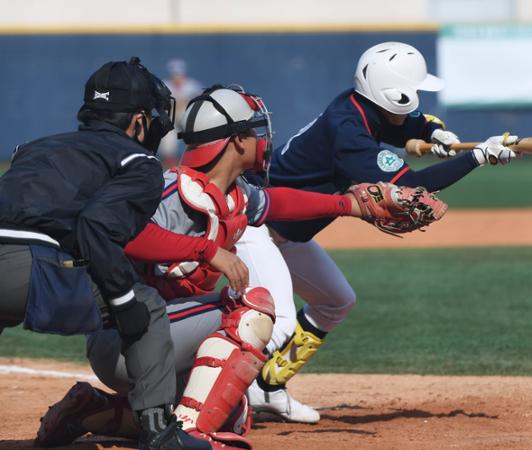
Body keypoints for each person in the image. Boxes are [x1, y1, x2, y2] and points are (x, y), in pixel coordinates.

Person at [35, 85, 442, 449]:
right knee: (251, 310)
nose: (262, 141)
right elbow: (123, 236)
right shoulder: (170, 191)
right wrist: (205, 251)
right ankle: (191, 437)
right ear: (236, 141)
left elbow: (279, 202)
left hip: (160, 341)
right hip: (126, 337)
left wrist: (349, 205)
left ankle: (89, 411)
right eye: (254, 132)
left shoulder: (232, 193)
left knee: (235, 412)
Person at [235, 41, 519, 423]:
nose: (417, 99)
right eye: (414, 90)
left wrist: (435, 132)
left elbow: (409, 123)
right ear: (393, 93)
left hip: (287, 231)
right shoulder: (350, 132)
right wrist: (475, 157)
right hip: (256, 226)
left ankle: (268, 387)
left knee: (336, 300)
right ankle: (210, 393)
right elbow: (414, 187)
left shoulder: (361, 106)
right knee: (279, 322)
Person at [0, 58, 211, 450]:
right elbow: (97, 227)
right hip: (29, 268)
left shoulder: (34, 147)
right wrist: (122, 298)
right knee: (144, 306)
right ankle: (160, 433)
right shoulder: (139, 161)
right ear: (137, 122)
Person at [158, 59, 204, 166]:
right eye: (175, 75)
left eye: (179, 74)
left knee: (196, 138)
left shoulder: (192, 85)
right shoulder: (165, 85)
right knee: (167, 147)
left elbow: (201, 99)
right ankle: (171, 168)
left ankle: (196, 162)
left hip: (186, 118)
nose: (177, 78)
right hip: (171, 119)